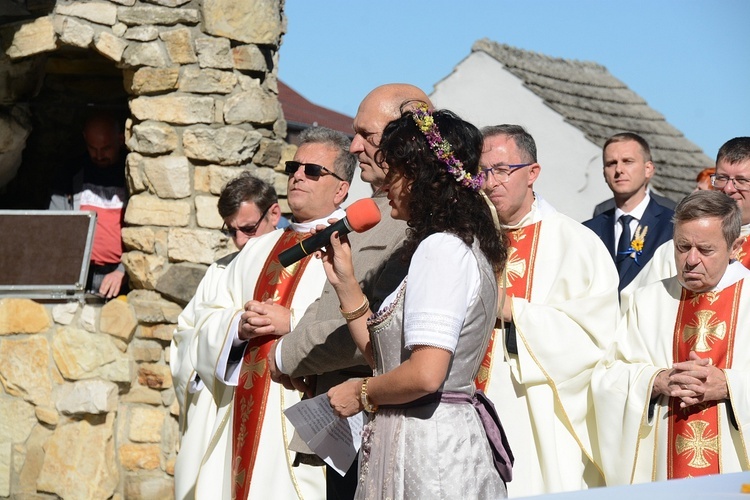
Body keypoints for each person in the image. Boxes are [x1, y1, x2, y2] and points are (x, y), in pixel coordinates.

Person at [324, 106, 511, 499]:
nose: (384, 185)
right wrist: (346, 285)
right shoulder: (457, 244)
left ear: (419, 179)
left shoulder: (441, 249)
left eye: (393, 172)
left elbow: (425, 375)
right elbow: (388, 363)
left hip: (431, 451)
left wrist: (362, 392)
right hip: (427, 435)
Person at [264, 83, 425, 499]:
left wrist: (286, 355)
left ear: (404, 139)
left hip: (387, 421)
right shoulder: (377, 212)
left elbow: (381, 331)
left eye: (366, 135)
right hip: (341, 421)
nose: (354, 147)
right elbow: (333, 299)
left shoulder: (417, 221)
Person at [190, 126, 355, 499]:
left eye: (313, 171)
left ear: (342, 188)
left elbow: (367, 323)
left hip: (307, 415)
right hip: (243, 417)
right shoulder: (256, 249)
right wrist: (236, 328)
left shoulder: (353, 247)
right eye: (294, 166)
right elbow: (205, 319)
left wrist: (292, 324)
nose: (297, 175)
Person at [478, 125, 619, 496]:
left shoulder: (575, 242)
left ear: (533, 173)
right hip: (466, 402)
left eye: (502, 170)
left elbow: (596, 339)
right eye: (482, 172)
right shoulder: (465, 240)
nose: (491, 182)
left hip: (537, 410)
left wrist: (513, 311)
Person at [592, 190, 750, 484]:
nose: (690, 260)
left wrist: (730, 386)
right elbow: (608, 377)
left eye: (705, 250)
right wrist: (656, 381)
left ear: (735, 247)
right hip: (663, 466)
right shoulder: (647, 300)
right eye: (682, 246)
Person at [170, 172, 281, 500]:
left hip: (273, 409)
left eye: (248, 229)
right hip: (221, 409)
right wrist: (233, 330)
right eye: (231, 230)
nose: (240, 241)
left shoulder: (303, 261)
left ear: (273, 213)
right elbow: (185, 339)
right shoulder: (219, 271)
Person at [621, 137, 750, 302]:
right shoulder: (674, 249)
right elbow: (634, 303)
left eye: (741, 180)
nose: (729, 188)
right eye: (722, 178)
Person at [49, 112, 128, 298]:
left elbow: (146, 235)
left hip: (119, 278)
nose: (99, 155)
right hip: (76, 276)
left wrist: (124, 271)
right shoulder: (71, 173)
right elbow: (53, 227)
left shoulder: (132, 173)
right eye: (93, 148)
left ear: (121, 139)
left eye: (106, 148)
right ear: (84, 138)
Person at [583, 132, 675, 291]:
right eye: (611, 163)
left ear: (648, 169)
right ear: (604, 173)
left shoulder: (672, 226)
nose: (619, 169)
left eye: (628, 161)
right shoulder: (588, 231)